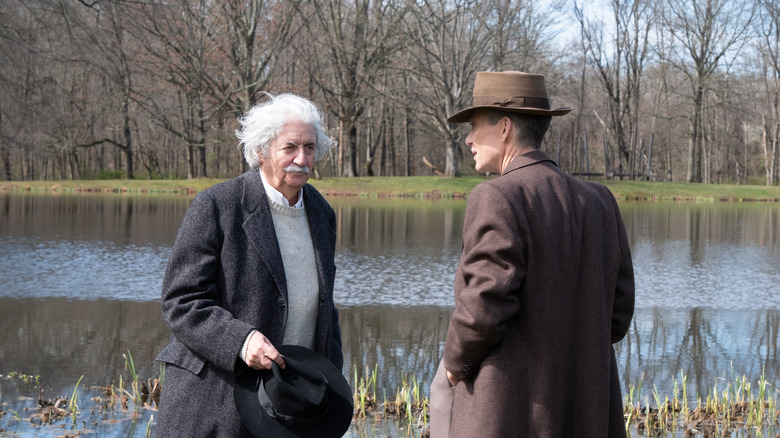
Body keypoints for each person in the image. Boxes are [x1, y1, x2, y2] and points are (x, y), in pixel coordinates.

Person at [429, 71, 635, 438]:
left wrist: (453, 365)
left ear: (505, 127)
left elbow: (483, 307)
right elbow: (617, 317)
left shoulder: (497, 196)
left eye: (475, 126)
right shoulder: (600, 200)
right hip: (586, 412)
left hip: (507, 414)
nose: (469, 138)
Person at [155, 92, 344, 437]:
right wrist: (241, 342)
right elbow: (180, 302)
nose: (302, 159)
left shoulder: (322, 213)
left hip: (287, 406)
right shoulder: (217, 205)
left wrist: (331, 381)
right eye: (290, 148)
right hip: (214, 401)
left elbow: (324, 308)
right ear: (261, 150)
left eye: (310, 148)